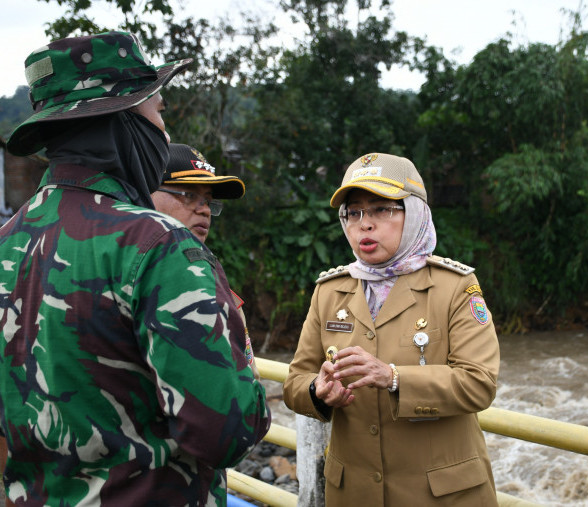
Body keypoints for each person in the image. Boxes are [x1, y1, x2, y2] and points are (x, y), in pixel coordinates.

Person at [0, 32, 270, 506]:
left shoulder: (7, 242)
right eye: (159, 111)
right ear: (122, 120)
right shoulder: (157, 244)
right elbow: (226, 431)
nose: (164, 132)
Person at [282, 152, 500, 505]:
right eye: (354, 212)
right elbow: (295, 382)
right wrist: (317, 390)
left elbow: (479, 383)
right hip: (353, 494)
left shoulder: (455, 286)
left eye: (382, 209)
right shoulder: (329, 291)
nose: (364, 224)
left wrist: (394, 377)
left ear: (413, 213)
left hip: (441, 496)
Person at [152, 142, 260, 379]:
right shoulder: (120, 276)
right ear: (147, 193)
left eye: (208, 201)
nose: (205, 211)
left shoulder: (222, 293)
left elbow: (248, 377)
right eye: (189, 195)